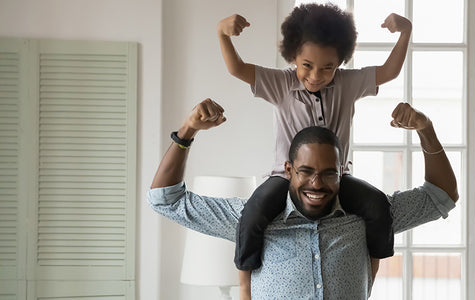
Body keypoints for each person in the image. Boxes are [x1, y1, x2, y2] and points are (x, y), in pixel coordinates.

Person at [148, 98, 458, 299]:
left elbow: (441, 196)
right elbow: (166, 200)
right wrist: (187, 131)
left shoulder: (368, 216)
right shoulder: (251, 217)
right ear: (288, 170)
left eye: (328, 173)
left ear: (343, 172)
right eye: (306, 171)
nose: (316, 183)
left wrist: (425, 130)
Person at [216, 2, 414, 283]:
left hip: (337, 177)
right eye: (307, 65)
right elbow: (237, 68)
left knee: (377, 205)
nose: (316, 76)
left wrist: (405, 33)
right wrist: (222, 34)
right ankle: (245, 286)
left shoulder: (347, 84)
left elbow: (388, 72)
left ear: (340, 62)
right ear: (293, 55)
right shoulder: (281, 84)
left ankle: (368, 278)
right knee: (253, 213)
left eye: (328, 68)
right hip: (286, 179)